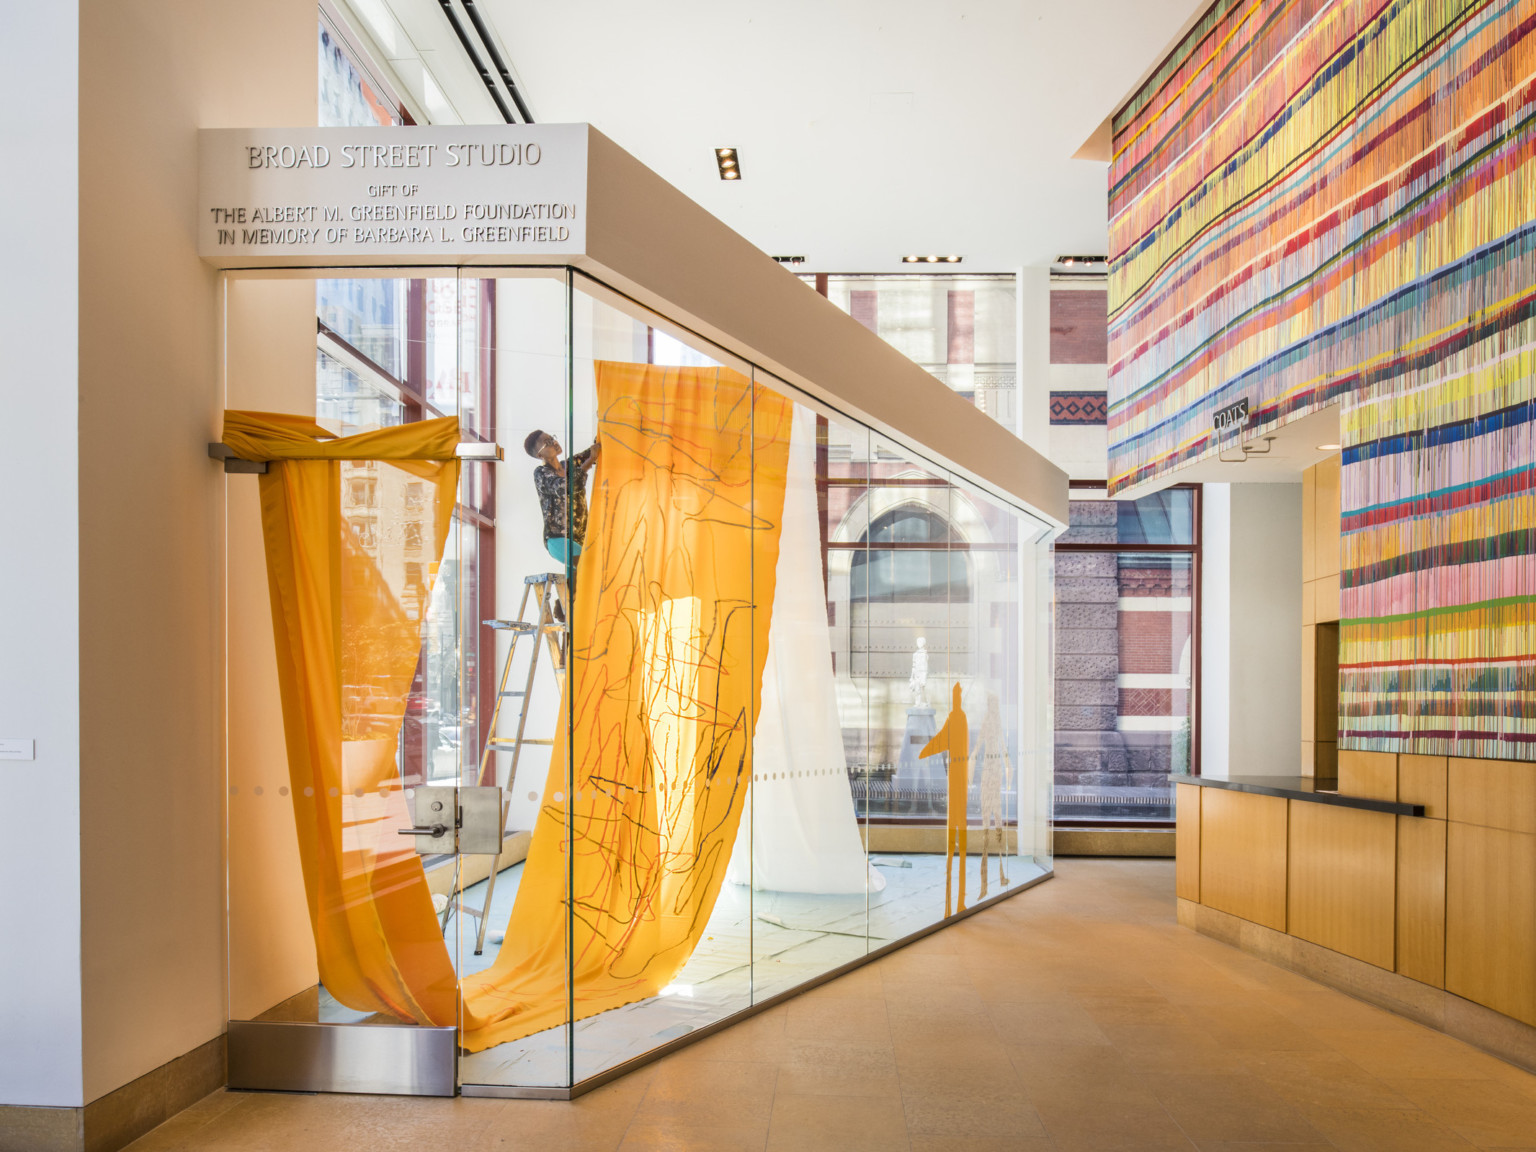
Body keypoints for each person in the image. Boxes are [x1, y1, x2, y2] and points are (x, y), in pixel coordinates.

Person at [524, 429, 599, 614]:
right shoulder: (541, 473)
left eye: (552, 438)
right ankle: (563, 609)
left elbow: (592, 452)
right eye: (547, 442)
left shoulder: (569, 464)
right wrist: (590, 462)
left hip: (579, 539)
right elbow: (566, 487)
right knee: (590, 566)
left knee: (580, 582)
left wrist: (598, 440)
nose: (553, 442)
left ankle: (565, 610)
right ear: (540, 454)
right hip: (558, 540)